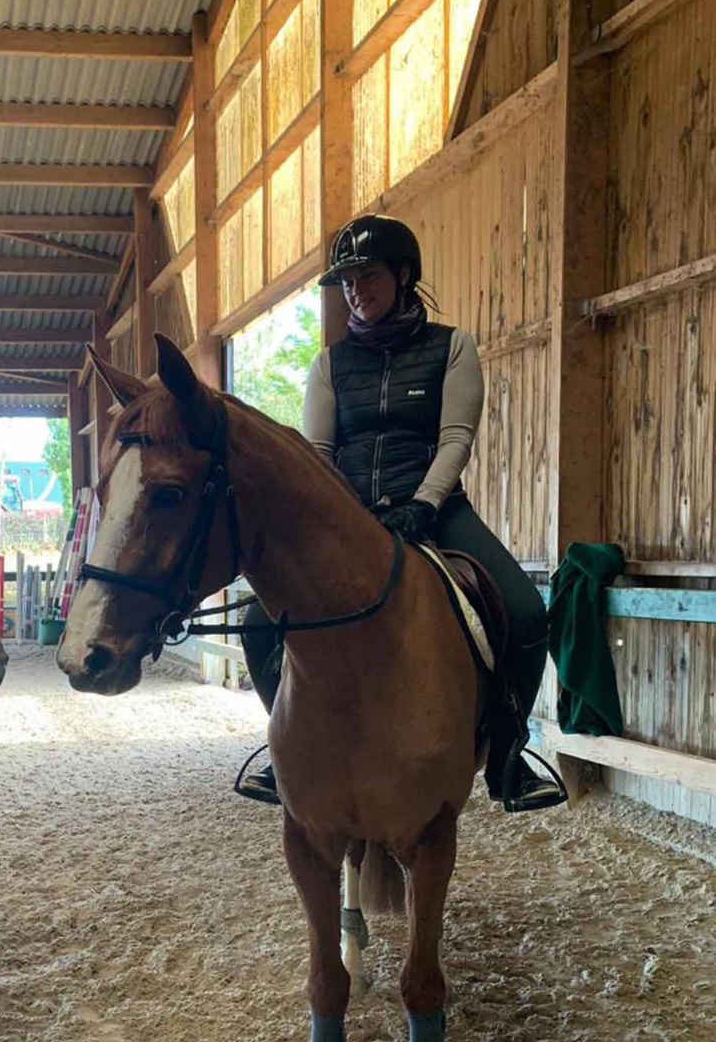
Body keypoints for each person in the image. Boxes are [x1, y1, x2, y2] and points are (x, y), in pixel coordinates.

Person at [237, 214, 564, 815]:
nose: (356, 291)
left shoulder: (452, 348)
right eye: (348, 282)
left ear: (404, 274)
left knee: (525, 613)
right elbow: (319, 456)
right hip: (350, 519)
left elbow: (455, 440)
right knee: (259, 622)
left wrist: (423, 504)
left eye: (367, 277)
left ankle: (507, 758)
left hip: (434, 511)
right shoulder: (329, 365)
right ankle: (283, 752)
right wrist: (342, 519)